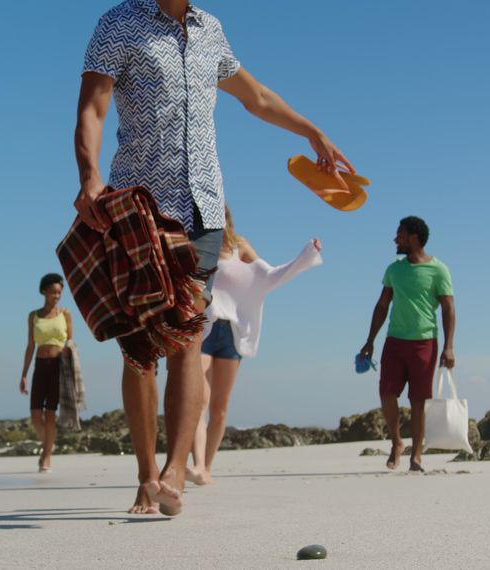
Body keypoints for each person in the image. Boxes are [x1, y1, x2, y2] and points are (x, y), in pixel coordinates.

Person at [74, 0, 353, 516]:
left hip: (203, 210)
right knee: (139, 348)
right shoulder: (118, 24)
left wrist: (310, 131)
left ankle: (175, 470)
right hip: (140, 206)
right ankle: (144, 475)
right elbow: (94, 104)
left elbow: (258, 98)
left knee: (188, 335)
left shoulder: (211, 31)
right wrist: (89, 176)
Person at [187, 207, 324, 485]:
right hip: (205, 326)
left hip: (233, 332)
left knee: (220, 407)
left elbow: (271, 275)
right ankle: (197, 464)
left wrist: (306, 254)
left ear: (225, 218)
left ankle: (207, 468)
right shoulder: (198, 244)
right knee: (198, 399)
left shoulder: (240, 247)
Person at [358, 216, 456, 472]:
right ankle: (397, 442)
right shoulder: (394, 269)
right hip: (395, 341)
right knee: (387, 394)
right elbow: (382, 306)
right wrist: (370, 341)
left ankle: (417, 456)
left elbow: (448, 309)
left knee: (419, 401)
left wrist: (449, 346)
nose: (395, 239)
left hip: (425, 342)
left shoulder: (439, 270)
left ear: (413, 237)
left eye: (399, 234)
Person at [19, 273, 74, 473]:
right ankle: (48, 445)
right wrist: (24, 374)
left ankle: (47, 456)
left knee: (50, 413)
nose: (56, 296)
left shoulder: (65, 314)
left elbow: (70, 344)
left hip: (59, 367)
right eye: (53, 292)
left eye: (59, 292)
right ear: (44, 291)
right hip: (39, 365)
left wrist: (74, 375)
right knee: (35, 414)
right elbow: (30, 345)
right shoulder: (34, 316)